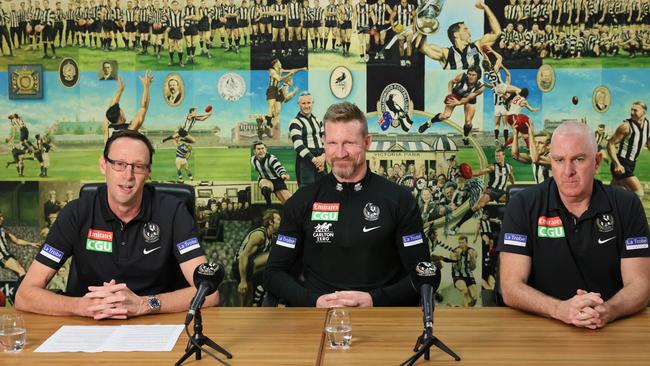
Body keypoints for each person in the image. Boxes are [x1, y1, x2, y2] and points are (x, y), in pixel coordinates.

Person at [15, 130, 218, 319]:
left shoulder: (173, 212)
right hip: (89, 324)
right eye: (119, 164)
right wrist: (80, 306)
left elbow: (209, 293)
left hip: (156, 324)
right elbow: (24, 295)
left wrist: (143, 304)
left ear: (148, 172)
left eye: (138, 166)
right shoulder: (75, 214)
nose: (128, 175)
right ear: (103, 165)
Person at [264, 102, 431, 307]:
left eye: (349, 143)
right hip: (317, 316)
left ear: (367, 142)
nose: (340, 153)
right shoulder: (302, 201)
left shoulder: (399, 200)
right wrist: (314, 301)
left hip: (382, 316)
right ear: (323, 142)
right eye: (333, 143)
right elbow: (273, 274)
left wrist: (374, 299)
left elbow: (425, 273)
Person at [498, 121, 650, 329]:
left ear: (597, 162)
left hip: (610, 327)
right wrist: (560, 310)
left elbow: (641, 284)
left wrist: (608, 310)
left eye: (578, 159)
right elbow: (510, 286)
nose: (567, 171)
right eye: (559, 160)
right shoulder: (523, 205)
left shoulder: (627, 205)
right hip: (542, 327)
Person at [417, 1, 501, 69]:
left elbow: (497, 33)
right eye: (465, 29)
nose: (469, 33)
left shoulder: (474, 49)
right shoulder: (446, 54)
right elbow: (422, 47)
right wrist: (424, 22)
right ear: (456, 34)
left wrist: (486, 7)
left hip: (474, 89)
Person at [418, 64, 485, 146]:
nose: (471, 76)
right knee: (445, 116)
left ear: (478, 76)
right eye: (469, 74)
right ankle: (428, 123)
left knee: (468, 123)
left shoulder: (480, 87)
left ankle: (465, 136)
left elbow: (468, 98)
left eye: (474, 75)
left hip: (468, 99)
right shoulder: (461, 76)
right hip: (456, 94)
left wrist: (459, 102)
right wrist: (450, 94)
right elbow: (451, 82)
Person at [232, 209, 280, 306]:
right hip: (240, 265)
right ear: (271, 222)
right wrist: (243, 280)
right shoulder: (259, 235)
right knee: (245, 302)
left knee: (276, 253)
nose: (281, 222)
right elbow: (243, 256)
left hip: (251, 265)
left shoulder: (272, 236)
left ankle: (262, 287)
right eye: (278, 219)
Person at [607, 101, 649, 198]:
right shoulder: (626, 127)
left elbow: (648, 141)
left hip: (632, 163)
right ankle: (632, 213)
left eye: (635, 110)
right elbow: (611, 143)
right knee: (638, 193)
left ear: (644, 112)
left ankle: (603, 207)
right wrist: (617, 164)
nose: (632, 112)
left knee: (614, 192)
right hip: (622, 163)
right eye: (631, 110)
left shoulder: (648, 125)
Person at [289, 91, 327, 188]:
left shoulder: (318, 121)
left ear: (312, 103)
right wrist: (315, 160)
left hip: (321, 159)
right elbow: (298, 145)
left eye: (309, 103)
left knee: (323, 191)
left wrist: (323, 157)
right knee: (307, 194)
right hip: (305, 161)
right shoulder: (295, 122)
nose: (306, 106)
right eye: (303, 103)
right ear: (299, 104)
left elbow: (326, 141)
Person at [103, 71, 153, 142]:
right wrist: (146, 87)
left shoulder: (107, 128)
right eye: (121, 110)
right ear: (120, 116)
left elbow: (111, 109)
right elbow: (143, 107)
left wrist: (120, 90)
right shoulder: (130, 129)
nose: (123, 111)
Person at [0, 210, 40, 279]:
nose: (2, 218)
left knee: (21, 272)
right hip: (2, 257)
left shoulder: (3, 230)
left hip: (7, 255)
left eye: (2, 216)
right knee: (21, 271)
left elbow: (17, 240)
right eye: (0, 217)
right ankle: (27, 289)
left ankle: (22, 289)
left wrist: (31, 243)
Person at [251, 141, 292, 205]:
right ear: (254, 151)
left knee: (289, 203)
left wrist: (283, 174)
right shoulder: (253, 160)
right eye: (258, 149)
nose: (261, 151)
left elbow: (278, 166)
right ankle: (269, 205)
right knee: (265, 189)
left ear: (266, 149)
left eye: (262, 148)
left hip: (277, 180)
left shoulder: (271, 158)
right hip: (265, 180)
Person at [450, 235, 478, 307]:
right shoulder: (454, 252)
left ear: (467, 243)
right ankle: (465, 311)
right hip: (458, 275)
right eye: (459, 243)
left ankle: (466, 308)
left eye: (463, 243)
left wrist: (472, 258)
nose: (461, 245)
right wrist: (458, 257)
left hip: (468, 274)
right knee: (465, 291)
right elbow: (456, 267)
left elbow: (473, 268)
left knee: (475, 298)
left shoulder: (472, 251)